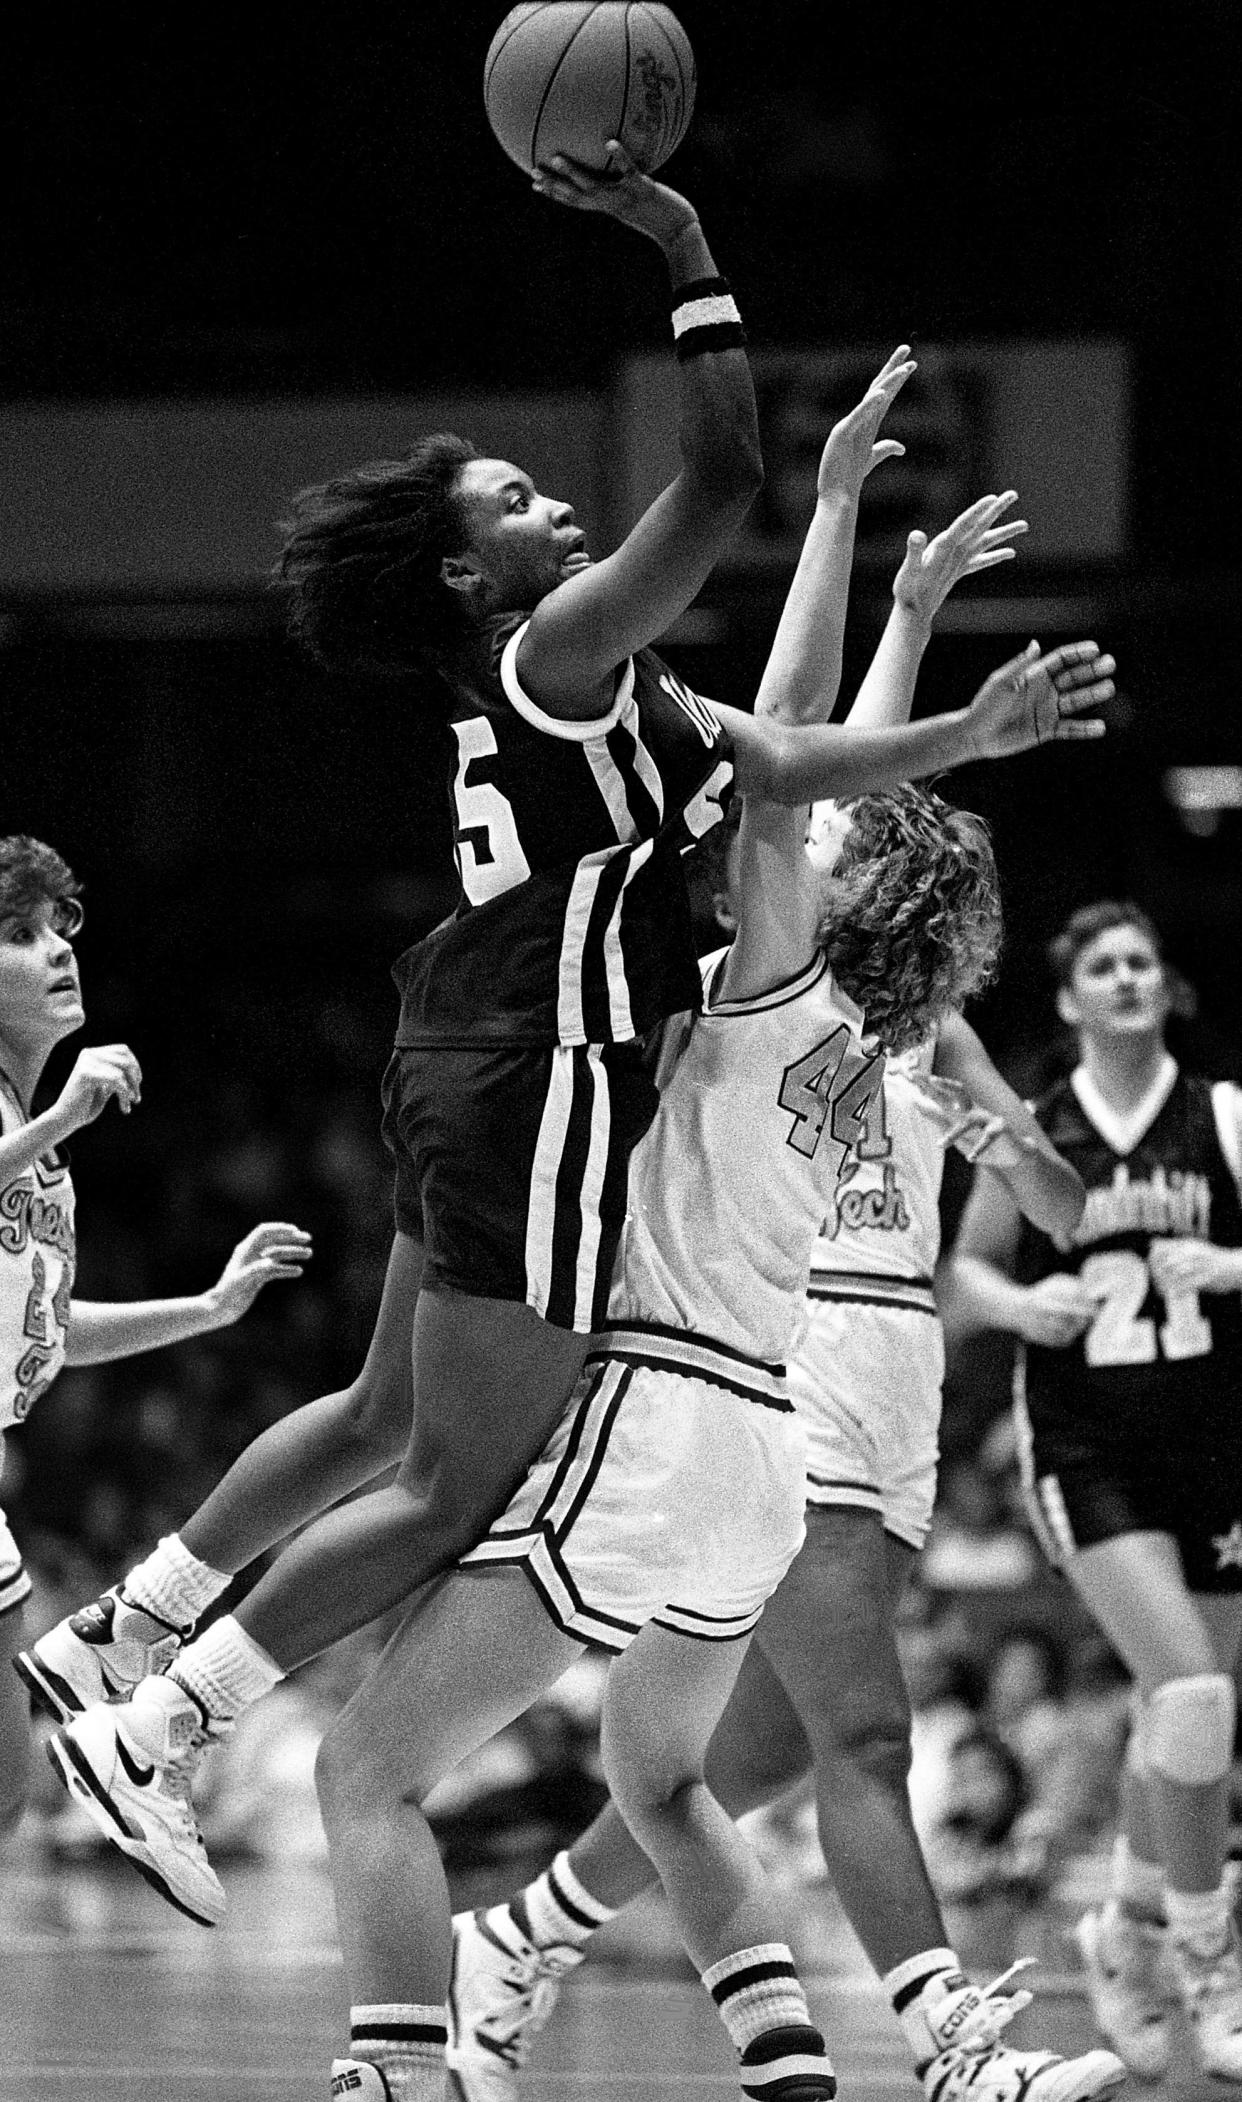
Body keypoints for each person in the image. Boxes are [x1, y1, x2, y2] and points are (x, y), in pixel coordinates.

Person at [35, 149, 1108, 1931]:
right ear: (471, 578)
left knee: (389, 1409)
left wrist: (959, 730)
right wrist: (684, 249)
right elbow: (717, 473)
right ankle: (160, 1722)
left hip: (469, 1040)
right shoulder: (555, 653)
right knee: (463, 1476)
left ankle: (119, 1629)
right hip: (535, 1068)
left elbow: (775, 762)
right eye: (519, 502)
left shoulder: (589, 692)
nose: (554, 513)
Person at [444, 491, 1121, 2102]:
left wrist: (1007, 1138)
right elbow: (827, 755)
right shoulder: (772, 960)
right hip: (783, 1359)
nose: (884, 850)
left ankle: (515, 1933)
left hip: (897, 1395)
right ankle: (948, 2042)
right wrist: (863, 566)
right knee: (868, 1737)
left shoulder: (925, 1038)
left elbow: (1052, 1201)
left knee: (746, 1753)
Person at [948, 900, 1242, 2083]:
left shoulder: (1219, 1114)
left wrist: (1231, 1264)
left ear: (1161, 987)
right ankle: (1208, 1961)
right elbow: (965, 1271)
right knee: (1194, 1687)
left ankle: (1119, 1928)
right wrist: (1022, 1307)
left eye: (1142, 960)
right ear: (1069, 1000)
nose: (1127, 977)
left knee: (1191, 1717)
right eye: (1103, 966)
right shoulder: (1042, 1123)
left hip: (1215, 1443)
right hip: (1084, 1442)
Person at [0, 834, 310, 1836]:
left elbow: (40, 1333)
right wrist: (61, 1121)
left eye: (60, 926)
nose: (56, 949)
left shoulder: (39, 1147)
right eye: (18, 934)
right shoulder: (37, 1134)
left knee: (8, 1785)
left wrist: (207, 1308)